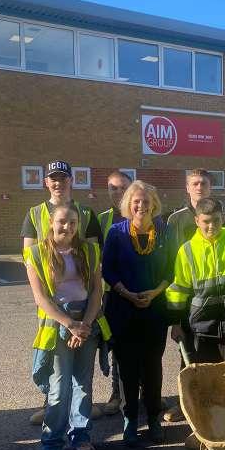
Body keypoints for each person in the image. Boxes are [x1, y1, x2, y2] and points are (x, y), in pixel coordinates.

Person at [24, 204, 111, 450]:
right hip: (58, 323)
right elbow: (41, 298)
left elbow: (96, 291)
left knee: (83, 384)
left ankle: (81, 438)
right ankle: (50, 446)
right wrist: (70, 325)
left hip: (87, 321)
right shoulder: (36, 253)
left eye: (73, 222)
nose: (67, 227)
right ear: (51, 223)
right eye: (62, 221)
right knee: (59, 388)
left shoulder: (90, 250)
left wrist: (84, 325)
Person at [21, 159, 103, 425]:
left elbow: (92, 256)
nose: (58, 183)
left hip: (83, 301)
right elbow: (28, 256)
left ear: (71, 181)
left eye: (63, 178)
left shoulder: (86, 212)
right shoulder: (34, 213)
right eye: (53, 178)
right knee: (55, 366)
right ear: (46, 182)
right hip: (52, 302)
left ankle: (79, 416)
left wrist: (86, 317)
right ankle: (51, 408)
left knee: (81, 374)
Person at [102, 181, 172, 446]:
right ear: (128, 205)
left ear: (154, 204)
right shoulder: (116, 232)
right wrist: (128, 294)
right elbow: (108, 270)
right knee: (127, 368)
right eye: (136, 202)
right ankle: (130, 418)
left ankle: (153, 418)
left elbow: (172, 269)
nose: (141, 206)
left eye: (146, 201)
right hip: (123, 310)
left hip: (155, 310)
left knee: (153, 366)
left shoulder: (164, 231)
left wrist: (154, 293)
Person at [164, 169, 225, 421]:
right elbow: (173, 262)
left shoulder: (223, 217)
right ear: (187, 187)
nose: (199, 186)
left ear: (210, 186)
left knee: (216, 356)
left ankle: (216, 405)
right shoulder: (176, 219)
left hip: (217, 300)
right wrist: (176, 311)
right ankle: (186, 406)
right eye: (195, 183)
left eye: (204, 183)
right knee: (188, 355)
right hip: (188, 300)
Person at [167, 197, 225, 364]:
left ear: (223, 218)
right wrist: (175, 322)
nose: (212, 226)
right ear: (197, 221)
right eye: (206, 221)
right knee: (206, 376)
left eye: (216, 220)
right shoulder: (187, 250)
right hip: (201, 328)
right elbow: (178, 289)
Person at [98, 170, 132, 416]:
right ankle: (117, 394)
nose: (118, 192)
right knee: (117, 346)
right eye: (113, 188)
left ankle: (148, 392)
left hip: (141, 292)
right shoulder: (101, 220)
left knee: (145, 346)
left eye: (123, 187)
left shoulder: (144, 213)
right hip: (113, 293)